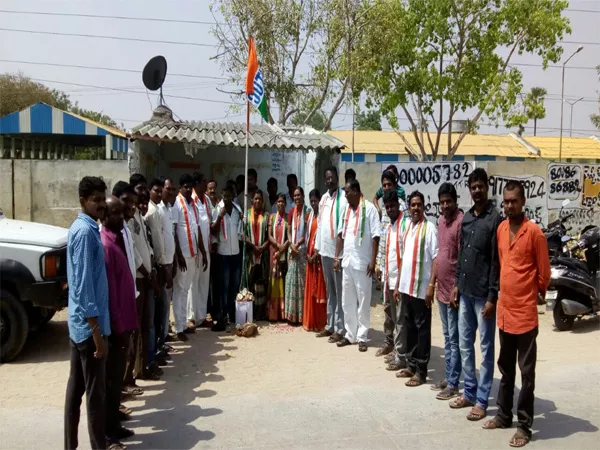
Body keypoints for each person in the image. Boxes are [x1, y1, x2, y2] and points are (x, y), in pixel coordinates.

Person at [483, 180, 550, 448]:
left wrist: (535, 292)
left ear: (523, 202)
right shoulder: (500, 229)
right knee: (505, 368)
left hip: (525, 315)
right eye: (506, 201)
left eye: (514, 201)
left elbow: (544, 274)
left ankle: (524, 426)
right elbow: (499, 266)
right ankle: (503, 415)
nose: (509, 205)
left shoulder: (534, 233)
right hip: (504, 312)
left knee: (527, 373)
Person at [449, 168, 502, 422]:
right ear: (469, 190)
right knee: (464, 344)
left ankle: (482, 400)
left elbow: (496, 261)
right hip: (466, 293)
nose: (477, 190)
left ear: (487, 187)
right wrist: (457, 284)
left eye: (481, 186)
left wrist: (493, 296)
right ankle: (469, 392)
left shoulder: (495, 220)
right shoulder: (467, 218)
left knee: (485, 346)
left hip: (484, 296)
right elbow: (461, 255)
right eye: (473, 186)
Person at [64, 176, 110, 450]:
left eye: (102, 199)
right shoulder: (83, 233)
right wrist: (97, 333)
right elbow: (82, 286)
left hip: (82, 325)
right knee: (94, 395)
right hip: (88, 329)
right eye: (96, 200)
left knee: (77, 389)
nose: (101, 205)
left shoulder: (89, 228)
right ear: (83, 201)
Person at [100, 196, 138, 447]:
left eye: (121, 213)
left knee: (115, 381)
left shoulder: (119, 239)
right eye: (115, 213)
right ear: (104, 216)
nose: (120, 218)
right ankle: (106, 433)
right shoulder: (105, 245)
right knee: (109, 381)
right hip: (115, 327)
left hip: (125, 319)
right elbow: (111, 293)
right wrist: (119, 328)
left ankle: (114, 424)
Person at [395, 191, 438, 387]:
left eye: (418, 204)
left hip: (421, 290)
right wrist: (398, 286)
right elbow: (404, 259)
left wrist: (431, 286)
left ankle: (421, 371)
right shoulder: (408, 227)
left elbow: (436, 258)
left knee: (422, 331)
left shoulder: (429, 229)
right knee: (410, 328)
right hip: (407, 288)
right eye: (412, 205)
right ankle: (411, 365)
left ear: (424, 206)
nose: (415, 208)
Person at [334, 179, 380, 352]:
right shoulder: (346, 210)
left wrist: (373, 261)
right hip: (347, 261)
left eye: (346, 192)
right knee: (347, 301)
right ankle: (350, 334)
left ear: (355, 191)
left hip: (363, 263)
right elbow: (341, 235)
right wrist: (337, 257)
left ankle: (362, 336)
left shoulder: (369, 209)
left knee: (363, 300)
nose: (345, 195)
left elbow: (376, 236)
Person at [430, 182, 464, 400]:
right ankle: (450, 375)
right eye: (442, 202)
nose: (444, 206)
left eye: (448, 202)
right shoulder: (441, 222)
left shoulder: (461, 222)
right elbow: (439, 254)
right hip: (441, 289)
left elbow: (462, 258)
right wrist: (432, 283)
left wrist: (457, 287)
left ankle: (453, 383)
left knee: (454, 337)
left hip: (453, 290)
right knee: (446, 335)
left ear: (455, 201)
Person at [375, 170, 408, 357]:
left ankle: (399, 349)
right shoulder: (385, 208)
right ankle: (388, 343)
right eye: (384, 185)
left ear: (395, 185)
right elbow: (383, 240)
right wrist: (380, 266)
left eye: (389, 184)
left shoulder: (402, 209)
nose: (387, 187)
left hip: (400, 271)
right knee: (388, 310)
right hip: (387, 268)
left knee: (400, 313)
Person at [172, 174, 208, 342]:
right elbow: (174, 232)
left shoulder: (193, 204)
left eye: (190, 187)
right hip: (183, 255)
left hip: (193, 254)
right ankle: (178, 327)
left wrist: (204, 252)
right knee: (179, 291)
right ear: (180, 188)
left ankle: (184, 324)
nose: (187, 189)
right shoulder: (176, 204)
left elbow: (197, 229)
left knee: (185, 290)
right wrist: (178, 254)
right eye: (185, 186)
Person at [131, 185, 161, 380]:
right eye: (139, 201)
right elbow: (134, 253)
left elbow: (147, 248)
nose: (142, 205)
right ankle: (139, 368)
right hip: (141, 279)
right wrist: (147, 273)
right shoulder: (129, 222)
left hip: (148, 276)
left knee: (148, 324)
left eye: (144, 200)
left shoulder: (140, 219)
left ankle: (147, 362)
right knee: (140, 326)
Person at [315, 167, 347, 343]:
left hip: (338, 254)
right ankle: (330, 324)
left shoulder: (343, 199)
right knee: (330, 291)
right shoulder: (324, 199)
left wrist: (337, 255)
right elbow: (320, 224)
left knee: (339, 290)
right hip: (325, 251)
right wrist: (318, 248)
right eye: (327, 178)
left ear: (337, 178)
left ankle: (340, 328)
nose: (329, 181)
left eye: (332, 177)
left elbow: (342, 228)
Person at [211, 184, 243, 331]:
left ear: (233, 196)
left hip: (235, 254)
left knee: (234, 285)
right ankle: (223, 315)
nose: (227, 198)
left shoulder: (238, 210)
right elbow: (213, 229)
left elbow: (241, 233)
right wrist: (220, 216)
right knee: (224, 286)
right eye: (224, 196)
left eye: (229, 196)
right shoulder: (218, 209)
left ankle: (233, 313)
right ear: (222, 195)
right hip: (223, 254)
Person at [145, 178, 168, 366]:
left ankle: (159, 346)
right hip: (154, 268)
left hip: (160, 265)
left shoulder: (157, 209)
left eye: (161, 191)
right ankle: (152, 355)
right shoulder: (150, 212)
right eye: (157, 190)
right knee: (153, 317)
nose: (159, 194)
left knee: (161, 310)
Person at [189, 172, 212, 329]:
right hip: (195, 250)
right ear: (197, 184)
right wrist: (201, 250)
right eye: (204, 182)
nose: (206, 185)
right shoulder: (191, 201)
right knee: (193, 283)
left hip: (206, 249)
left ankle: (201, 316)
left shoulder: (207, 200)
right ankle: (191, 317)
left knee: (204, 282)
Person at [303, 189, 327, 332]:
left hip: (319, 257)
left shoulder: (322, 217)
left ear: (320, 201)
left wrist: (316, 254)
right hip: (310, 256)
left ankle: (321, 323)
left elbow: (323, 236)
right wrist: (308, 254)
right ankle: (310, 321)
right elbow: (308, 236)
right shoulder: (310, 216)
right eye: (311, 201)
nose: (313, 203)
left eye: (315, 201)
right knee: (310, 289)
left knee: (320, 290)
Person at [244, 190, 270, 320]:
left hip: (262, 255)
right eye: (255, 199)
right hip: (250, 254)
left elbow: (269, 236)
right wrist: (253, 247)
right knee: (250, 282)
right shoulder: (246, 215)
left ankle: (260, 312)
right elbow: (243, 234)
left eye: (260, 199)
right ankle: (250, 311)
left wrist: (262, 248)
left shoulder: (266, 216)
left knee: (261, 283)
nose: (258, 201)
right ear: (252, 200)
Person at [284, 187, 309, 324]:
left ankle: (301, 316)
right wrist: (291, 244)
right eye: (294, 195)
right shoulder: (292, 211)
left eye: (299, 195)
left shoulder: (307, 212)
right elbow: (288, 231)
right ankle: (291, 315)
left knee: (301, 282)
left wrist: (298, 245)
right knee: (291, 281)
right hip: (292, 249)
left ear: (303, 196)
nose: (296, 197)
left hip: (302, 250)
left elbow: (307, 232)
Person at [157, 177, 176, 351]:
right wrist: (166, 267)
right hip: (163, 264)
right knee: (162, 303)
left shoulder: (169, 209)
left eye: (172, 189)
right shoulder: (158, 210)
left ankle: (164, 336)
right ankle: (160, 341)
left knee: (166, 301)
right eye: (167, 189)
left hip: (170, 261)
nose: (170, 192)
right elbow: (159, 240)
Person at [266, 193, 289, 321]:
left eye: (282, 202)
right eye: (278, 202)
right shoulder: (272, 217)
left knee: (283, 282)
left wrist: (282, 248)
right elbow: (269, 235)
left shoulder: (287, 217)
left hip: (283, 253)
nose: (280, 204)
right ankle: (273, 313)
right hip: (273, 252)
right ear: (276, 204)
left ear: (285, 204)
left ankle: (282, 313)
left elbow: (289, 236)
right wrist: (277, 246)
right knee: (273, 282)